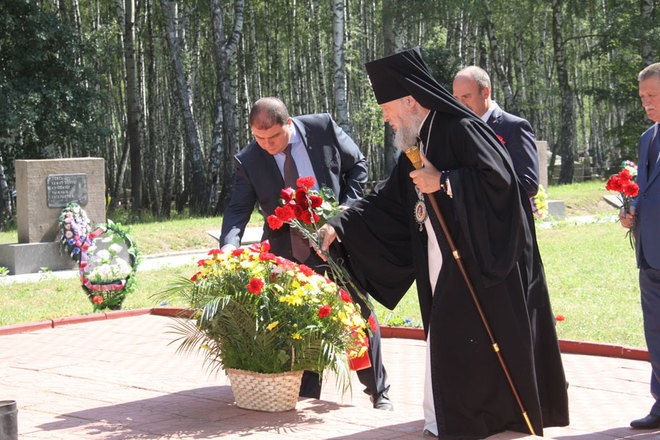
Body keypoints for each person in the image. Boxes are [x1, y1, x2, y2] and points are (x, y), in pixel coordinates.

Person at [317, 47, 569, 439]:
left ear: (410, 101)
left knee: (464, 337)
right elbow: (390, 199)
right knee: (453, 337)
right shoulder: (420, 137)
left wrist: (445, 181)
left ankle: (466, 420)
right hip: (440, 256)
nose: (385, 118)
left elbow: (503, 184)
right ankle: (455, 418)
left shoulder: (461, 127)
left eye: (387, 108)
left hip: (485, 258)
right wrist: (342, 222)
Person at [219, 97, 392, 410]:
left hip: (338, 245)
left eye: (274, 137)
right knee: (300, 323)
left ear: (289, 123)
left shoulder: (321, 128)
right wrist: (229, 246)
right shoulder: (249, 159)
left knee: (357, 316)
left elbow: (357, 166)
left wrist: (344, 212)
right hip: (289, 254)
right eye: (259, 138)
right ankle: (305, 393)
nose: (267, 145)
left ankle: (378, 392)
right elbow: (237, 209)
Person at [621, 62, 660, 430]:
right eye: (643, 96)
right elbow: (644, 190)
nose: (646, 102)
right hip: (649, 254)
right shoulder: (647, 138)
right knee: (656, 332)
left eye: (653, 95)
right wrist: (630, 209)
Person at [452, 66, 539, 198]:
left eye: (466, 96)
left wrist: (463, 184)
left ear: (485, 92)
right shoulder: (457, 129)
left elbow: (528, 185)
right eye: (456, 98)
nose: (460, 104)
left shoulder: (514, 127)